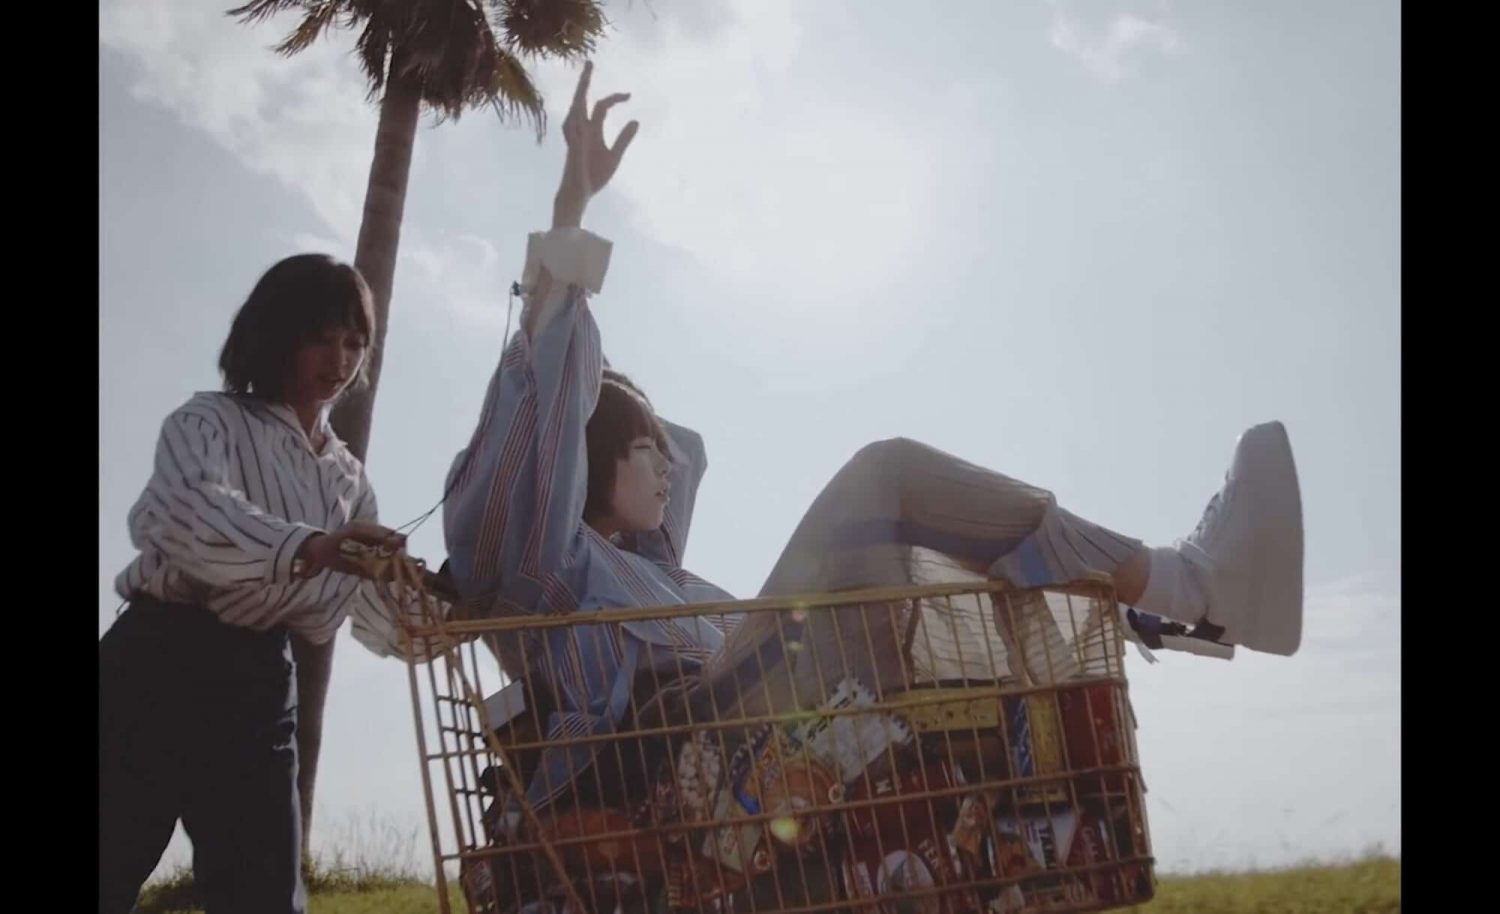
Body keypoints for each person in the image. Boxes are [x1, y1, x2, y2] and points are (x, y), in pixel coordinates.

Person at [367, 62, 1304, 820]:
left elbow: (660, 445)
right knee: (883, 482)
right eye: (639, 450)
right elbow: (540, 414)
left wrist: (635, 423)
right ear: (581, 465)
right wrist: (570, 209)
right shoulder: (541, 567)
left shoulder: (654, 569)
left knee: (894, 562)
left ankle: (1148, 597)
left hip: (749, 719)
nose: (662, 465)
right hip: (684, 752)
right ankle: (1186, 585)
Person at [100, 254, 416, 914]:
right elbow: (188, 515)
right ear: (276, 335)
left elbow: (355, 604)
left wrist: (430, 607)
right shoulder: (206, 421)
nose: (339, 360)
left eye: (354, 342)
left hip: (259, 680)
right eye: (320, 338)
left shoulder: (348, 480)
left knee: (264, 894)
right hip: (155, 663)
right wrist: (311, 548)